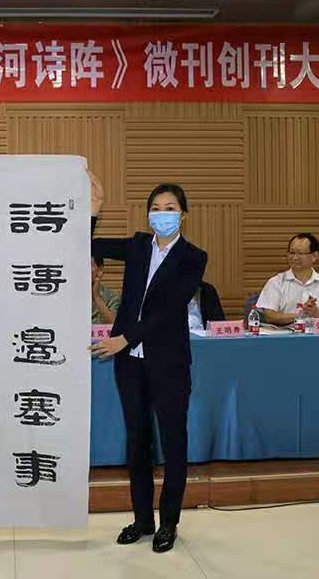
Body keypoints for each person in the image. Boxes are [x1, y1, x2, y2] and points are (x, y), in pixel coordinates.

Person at [89, 172, 207, 554]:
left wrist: (124, 338)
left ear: (183, 214)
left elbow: (169, 310)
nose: (162, 214)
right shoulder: (139, 246)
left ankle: (168, 522)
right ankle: (142, 519)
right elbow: (85, 244)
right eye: (155, 208)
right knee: (137, 442)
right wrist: (94, 210)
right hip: (131, 365)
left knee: (173, 444)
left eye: (170, 208)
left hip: (168, 363)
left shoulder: (193, 258)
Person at [256, 233, 319, 326]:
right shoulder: (276, 282)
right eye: (292, 253)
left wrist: (316, 313)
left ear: (314, 256)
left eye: (300, 253)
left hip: (315, 334)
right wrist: (300, 315)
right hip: (285, 333)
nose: (294, 257)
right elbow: (269, 316)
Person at [92, 256, 121, 324]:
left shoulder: (112, 298)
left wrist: (97, 297)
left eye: (88, 265)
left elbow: (114, 324)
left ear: (100, 270)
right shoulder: (70, 296)